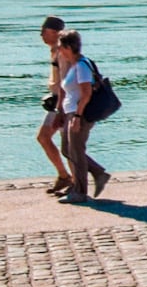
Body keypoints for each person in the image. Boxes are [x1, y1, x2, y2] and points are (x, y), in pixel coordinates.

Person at [53, 31, 111, 203]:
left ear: (69, 47)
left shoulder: (82, 66)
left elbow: (86, 93)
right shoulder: (75, 65)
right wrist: (62, 112)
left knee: (76, 152)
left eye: (61, 48)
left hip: (80, 114)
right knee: (67, 149)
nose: (59, 52)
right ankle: (98, 173)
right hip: (71, 112)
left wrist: (77, 116)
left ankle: (80, 192)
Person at [36, 16, 74, 194]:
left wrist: (60, 107)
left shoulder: (61, 52)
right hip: (58, 99)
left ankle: (75, 180)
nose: (41, 35)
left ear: (53, 32)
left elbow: (66, 80)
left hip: (64, 101)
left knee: (67, 143)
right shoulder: (55, 50)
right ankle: (65, 176)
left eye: (43, 31)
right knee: (50, 139)